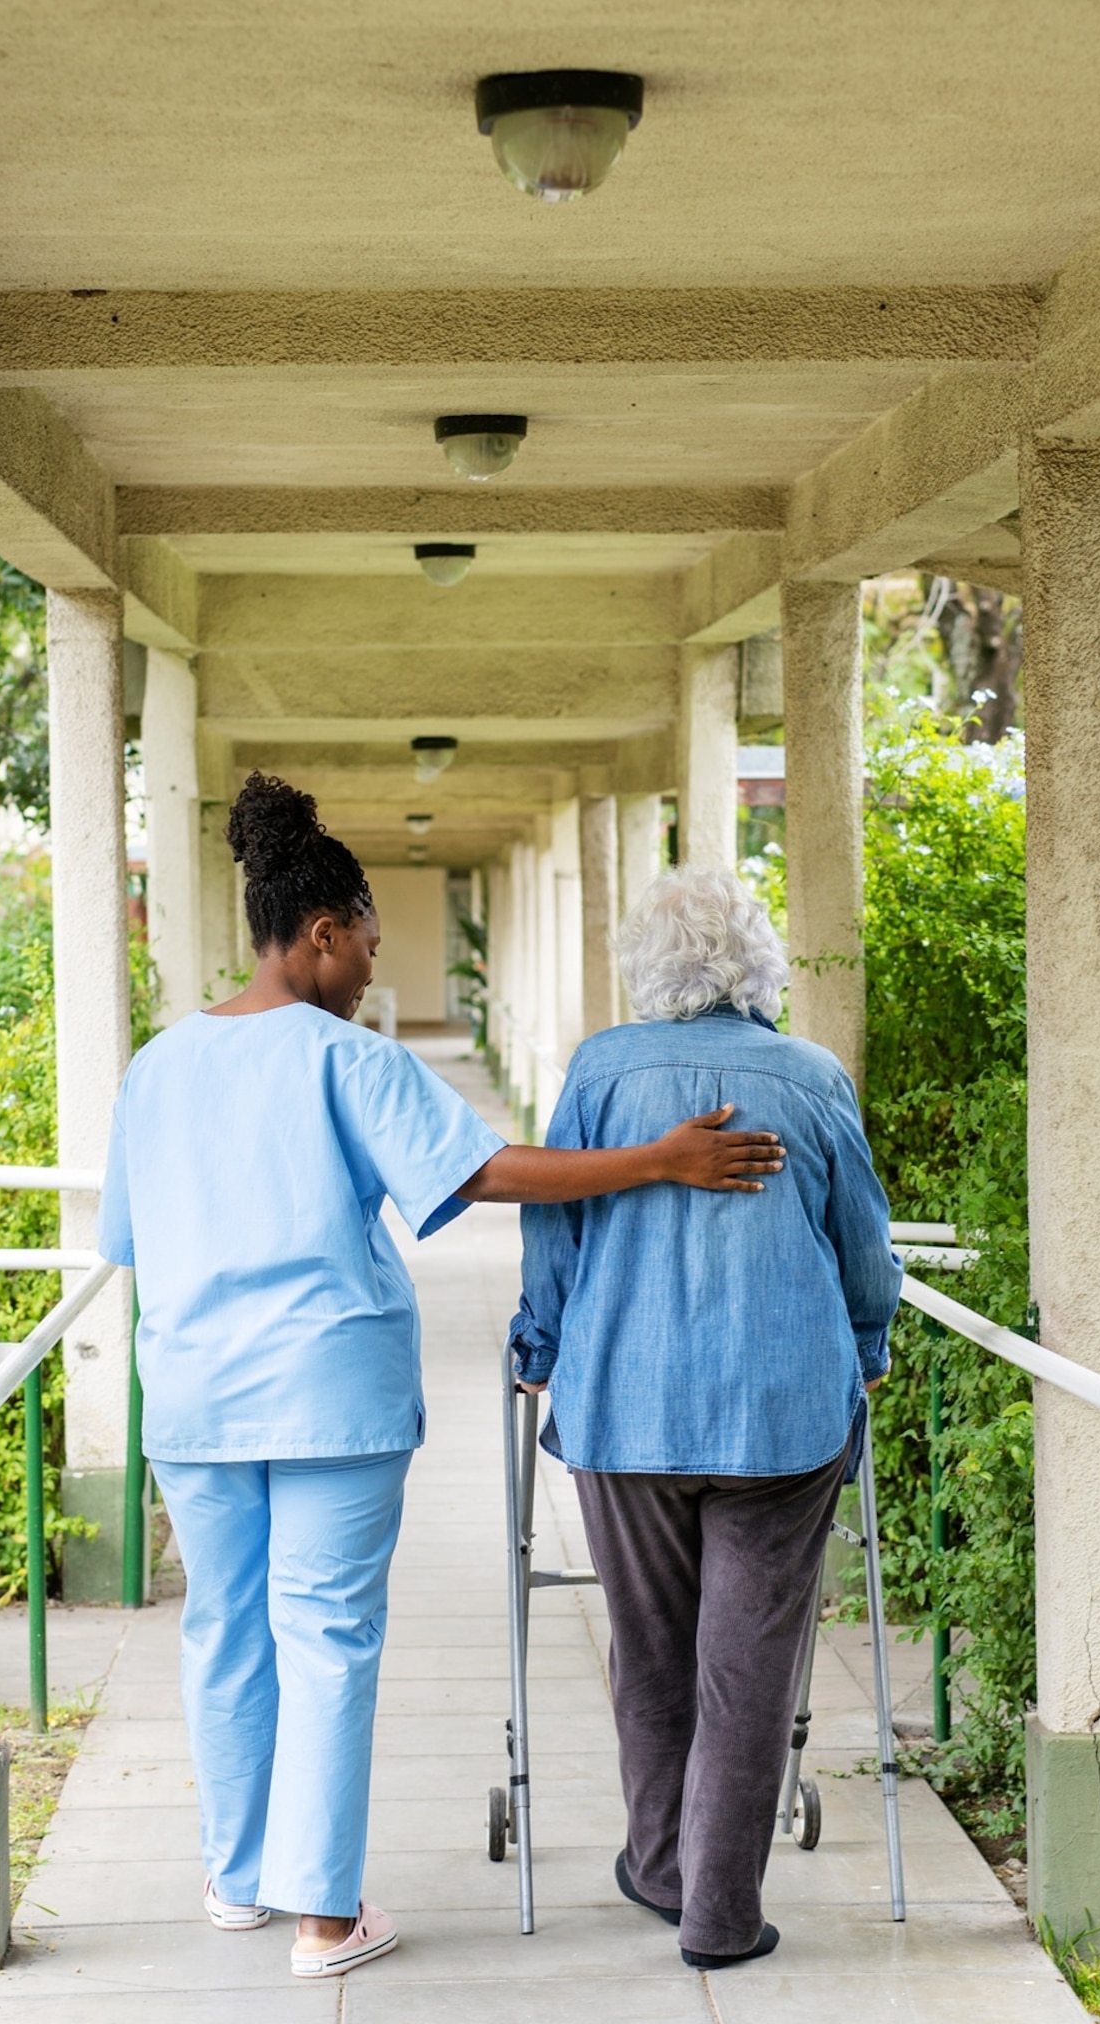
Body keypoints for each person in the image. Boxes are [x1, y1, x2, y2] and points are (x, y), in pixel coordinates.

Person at [97, 774, 784, 1980]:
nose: (370, 962)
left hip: (195, 1398)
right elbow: (489, 1171)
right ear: (321, 929)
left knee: (225, 1632)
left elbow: (130, 1241)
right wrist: (661, 1159)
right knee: (323, 1634)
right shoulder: (340, 1056)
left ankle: (237, 1875)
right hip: (325, 1399)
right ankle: (324, 1916)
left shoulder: (157, 1066)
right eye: (366, 938)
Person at [509, 865, 901, 1969]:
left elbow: (555, 1225)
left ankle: (662, 1865)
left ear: (646, 968)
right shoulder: (812, 1077)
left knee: (650, 1649)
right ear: (759, 962)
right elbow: (862, 1248)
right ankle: (720, 1912)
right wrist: (868, 1349)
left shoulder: (600, 1072)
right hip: (782, 1417)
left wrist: (540, 1345)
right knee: (751, 1662)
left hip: (625, 1409)